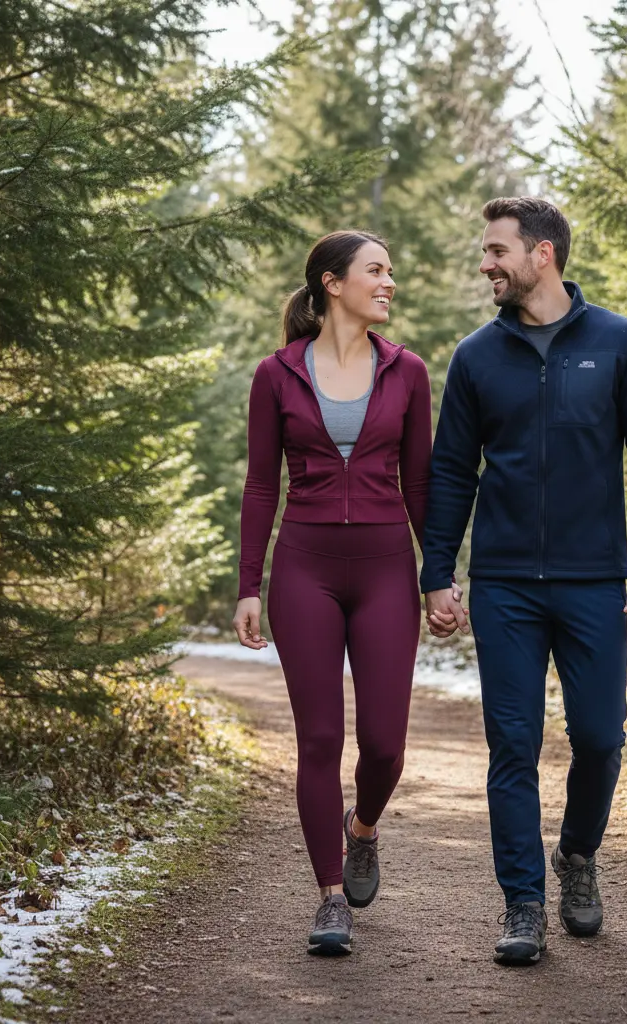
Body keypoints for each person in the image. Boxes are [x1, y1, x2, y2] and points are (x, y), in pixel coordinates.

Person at [420, 197, 627, 966]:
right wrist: (439, 572)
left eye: (498, 251)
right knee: (513, 744)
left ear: (543, 255)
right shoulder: (475, 357)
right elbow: (450, 472)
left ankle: (578, 855)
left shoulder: (621, 344)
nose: (486, 264)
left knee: (600, 739)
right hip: (503, 585)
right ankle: (523, 902)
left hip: (595, 581)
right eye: (486, 251)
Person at [232, 230, 448, 956]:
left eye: (391, 271)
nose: (388, 283)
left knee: (385, 745)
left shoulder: (408, 371)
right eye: (376, 271)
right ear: (332, 283)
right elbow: (263, 484)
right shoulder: (277, 373)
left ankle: (364, 829)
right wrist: (248, 586)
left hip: (387, 566)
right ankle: (330, 897)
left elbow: (420, 483)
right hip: (305, 570)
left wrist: (437, 576)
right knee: (320, 738)